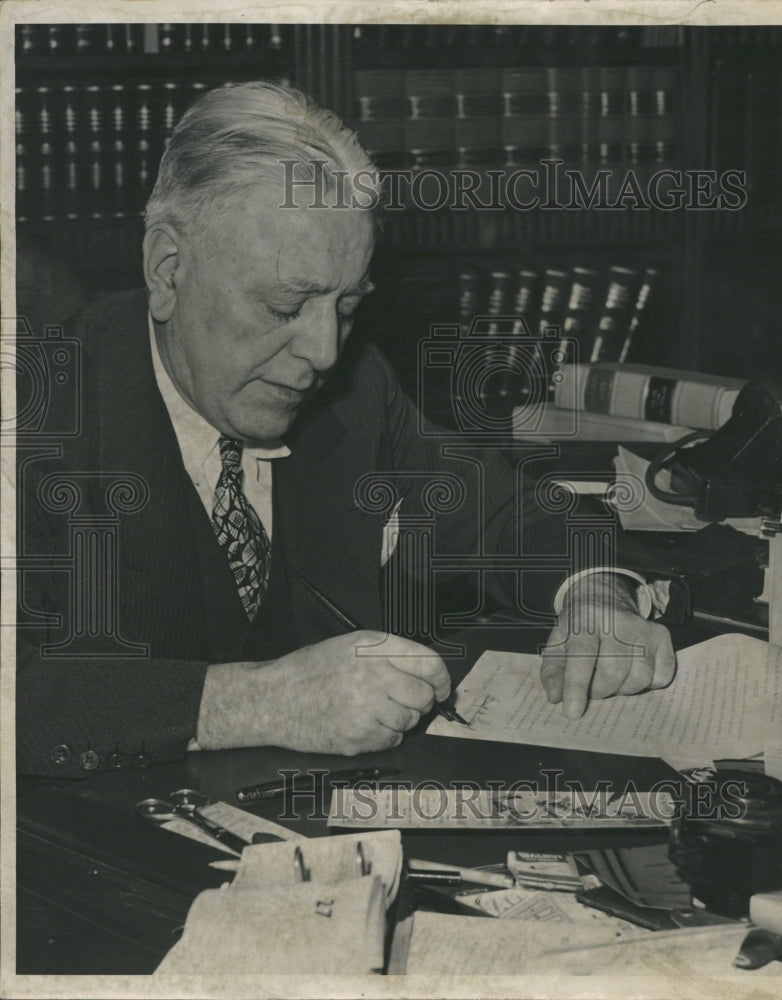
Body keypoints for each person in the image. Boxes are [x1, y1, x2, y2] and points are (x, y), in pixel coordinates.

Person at [16, 81, 676, 778]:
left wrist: (595, 592)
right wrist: (256, 703)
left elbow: (509, 513)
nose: (324, 350)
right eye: (285, 304)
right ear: (169, 270)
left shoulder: (354, 391)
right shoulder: (33, 419)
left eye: (347, 306)